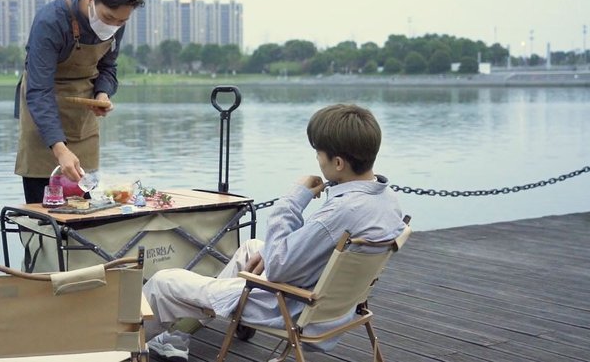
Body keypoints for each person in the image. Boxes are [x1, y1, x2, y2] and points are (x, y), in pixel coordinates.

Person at [143, 104, 407, 361]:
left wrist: (295, 197)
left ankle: (130, 349)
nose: (317, 159)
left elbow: (280, 267)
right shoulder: (387, 199)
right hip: (336, 307)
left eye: (319, 153)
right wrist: (274, 254)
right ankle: (181, 330)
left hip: (289, 306)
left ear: (338, 163)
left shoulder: (340, 212)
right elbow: (301, 252)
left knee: (164, 282)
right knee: (251, 249)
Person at [14, 0, 144, 203]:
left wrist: (102, 93)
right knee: (44, 211)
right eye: (108, 18)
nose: (114, 25)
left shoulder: (116, 24)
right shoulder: (50, 21)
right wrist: (60, 149)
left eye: (122, 21)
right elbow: (39, 90)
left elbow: (108, 67)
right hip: (43, 114)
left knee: (85, 207)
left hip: (83, 119)